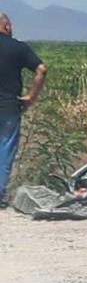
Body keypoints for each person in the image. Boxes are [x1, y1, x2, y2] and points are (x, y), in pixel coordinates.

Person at [0, 12, 47, 208]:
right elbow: (41, 69)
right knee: (5, 149)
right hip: (9, 106)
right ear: (7, 27)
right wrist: (31, 96)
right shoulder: (19, 48)